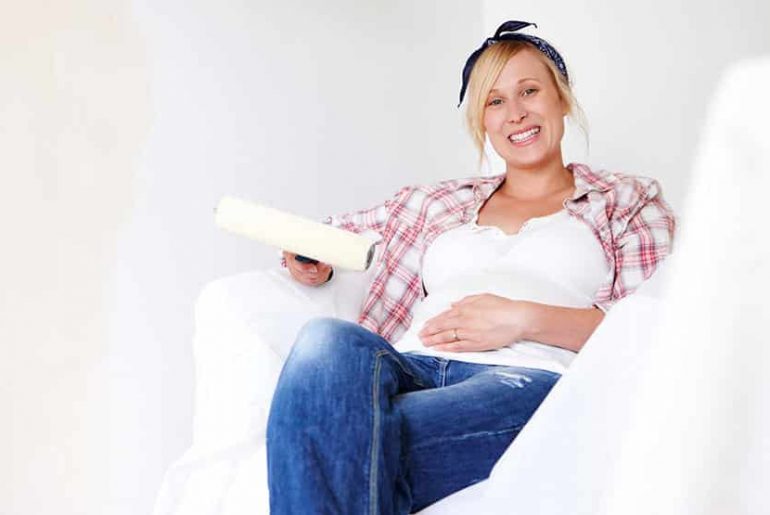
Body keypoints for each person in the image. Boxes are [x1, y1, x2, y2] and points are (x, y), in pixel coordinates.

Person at [267, 20, 676, 514]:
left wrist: (522, 317)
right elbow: (328, 235)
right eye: (494, 101)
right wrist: (314, 260)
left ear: (561, 98)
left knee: (333, 432)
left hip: (523, 377)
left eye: (530, 91)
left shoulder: (627, 202)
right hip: (408, 365)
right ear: (481, 120)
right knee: (322, 342)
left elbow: (649, 329)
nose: (516, 113)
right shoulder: (434, 202)